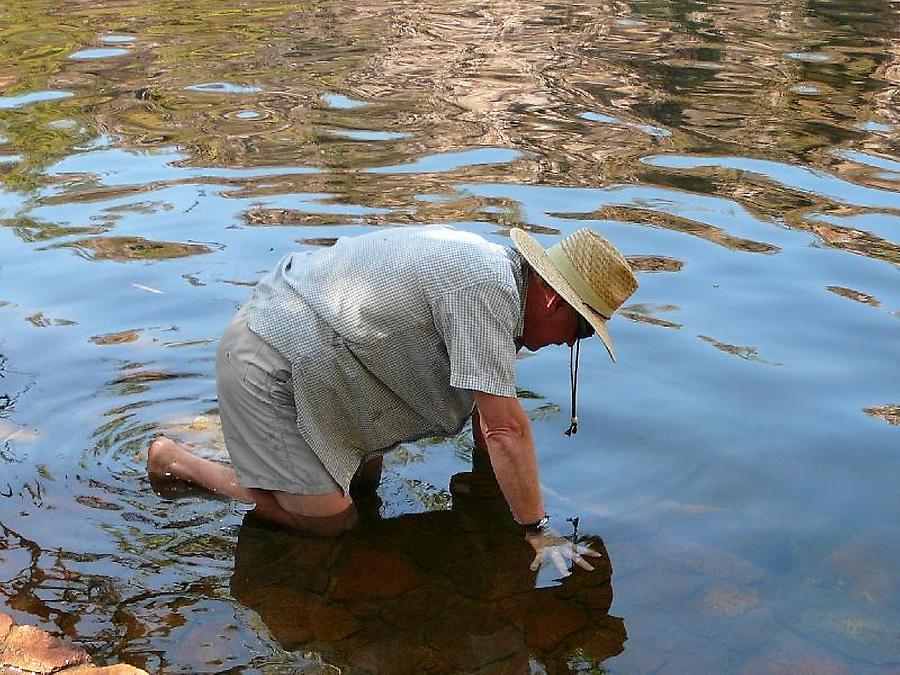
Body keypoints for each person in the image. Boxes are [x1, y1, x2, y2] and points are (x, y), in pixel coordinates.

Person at [148, 225, 638, 574]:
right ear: (554, 302)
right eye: (579, 331)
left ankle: (281, 472)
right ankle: (182, 464)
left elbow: (490, 420)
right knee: (332, 525)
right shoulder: (487, 291)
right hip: (273, 357)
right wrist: (536, 529)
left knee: (367, 480)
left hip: (323, 363)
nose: (569, 345)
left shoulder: (501, 285)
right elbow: (506, 429)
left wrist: (493, 493)